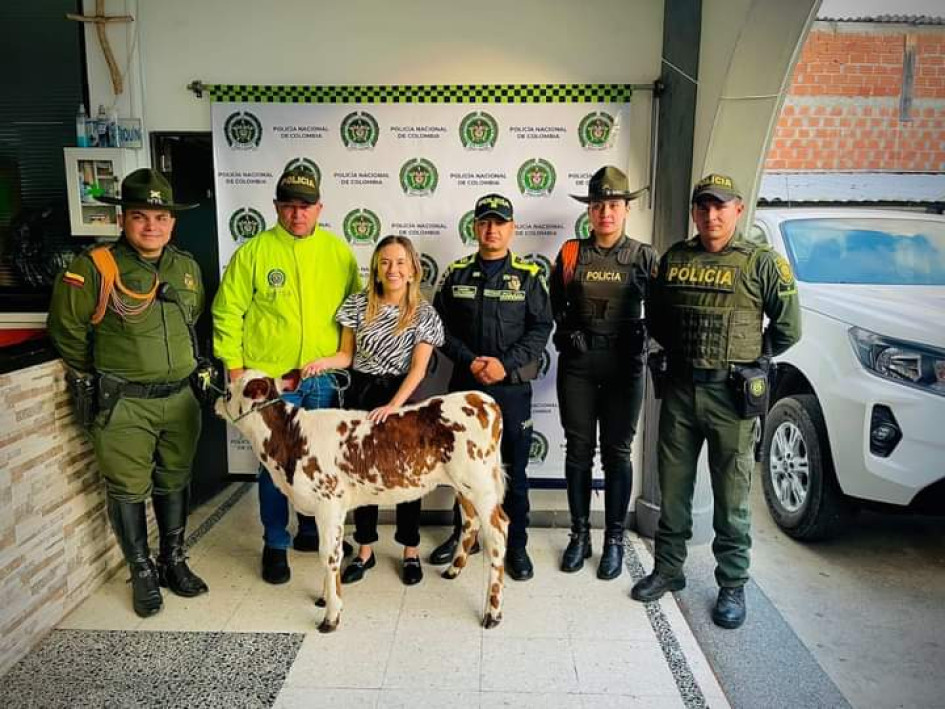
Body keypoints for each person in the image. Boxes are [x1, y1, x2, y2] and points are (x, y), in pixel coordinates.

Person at [631, 173, 801, 629]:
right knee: (674, 488)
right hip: (683, 392)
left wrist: (751, 362)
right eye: (703, 206)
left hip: (732, 398)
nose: (711, 215)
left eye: (721, 206)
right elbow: (661, 321)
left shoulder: (762, 263)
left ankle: (732, 584)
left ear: (738, 210)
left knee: (732, 497)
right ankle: (669, 569)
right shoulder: (674, 259)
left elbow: (788, 330)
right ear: (694, 212)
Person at [47, 168, 208, 617]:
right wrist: (101, 375)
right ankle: (140, 570)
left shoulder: (186, 267)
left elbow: (189, 320)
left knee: (175, 479)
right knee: (127, 487)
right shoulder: (95, 268)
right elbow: (67, 331)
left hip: (179, 399)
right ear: (123, 221)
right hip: (125, 403)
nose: (151, 226)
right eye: (140, 216)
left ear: (172, 222)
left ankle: (172, 560)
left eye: (160, 217)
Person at [213, 167, 361, 584]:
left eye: (306, 206)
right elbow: (228, 312)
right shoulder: (254, 252)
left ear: (320, 208)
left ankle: (311, 529)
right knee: (274, 466)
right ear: (276, 206)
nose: (298, 214)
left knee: (322, 461)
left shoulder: (338, 253)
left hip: (322, 378)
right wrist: (239, 372)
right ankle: (275, 542)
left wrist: (343, 355)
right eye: (290, 206)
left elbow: (352, 313)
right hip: (272, 383)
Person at [303, 235, 444, 586]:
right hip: (362, 393)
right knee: (361, 474)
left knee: (406, 476)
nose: (392, 269)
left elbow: (419, 370)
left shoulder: (424, 313)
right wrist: (322, 363)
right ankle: (364, 550)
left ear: (412, 269)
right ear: (376, 269)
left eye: (399, 262)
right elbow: (346, 356)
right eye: (385, 262)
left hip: (403, 397)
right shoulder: (357, 304)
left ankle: (410, 551)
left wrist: (393, 408)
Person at [429, 193, 553, 581]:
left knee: (513, 469)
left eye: (500, 222)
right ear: (475, 227)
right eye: (485, 222)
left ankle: (515, 546)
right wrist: (471, 361)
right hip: (464, 389)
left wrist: (506, 364)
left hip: (511, 390)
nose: (492, 229)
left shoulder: (530, 277)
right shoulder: (457, 273)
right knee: (461, 470)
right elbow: (439, 328)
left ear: (512, 228)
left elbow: (541, 329)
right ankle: (462, 536)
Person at [550, 165, 658, 581]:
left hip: (624, 368)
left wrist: (647, 338)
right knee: (578, 451)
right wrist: (566, 332)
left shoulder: (645, 256)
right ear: (589, 211)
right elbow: (552, 304)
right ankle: (580, 536)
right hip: (578, 366)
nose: (606, 213)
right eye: (598, 205)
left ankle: (614, 538)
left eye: (613, 205)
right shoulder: (571, 253)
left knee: (617, 453)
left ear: (625, 209)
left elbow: (665, 312)